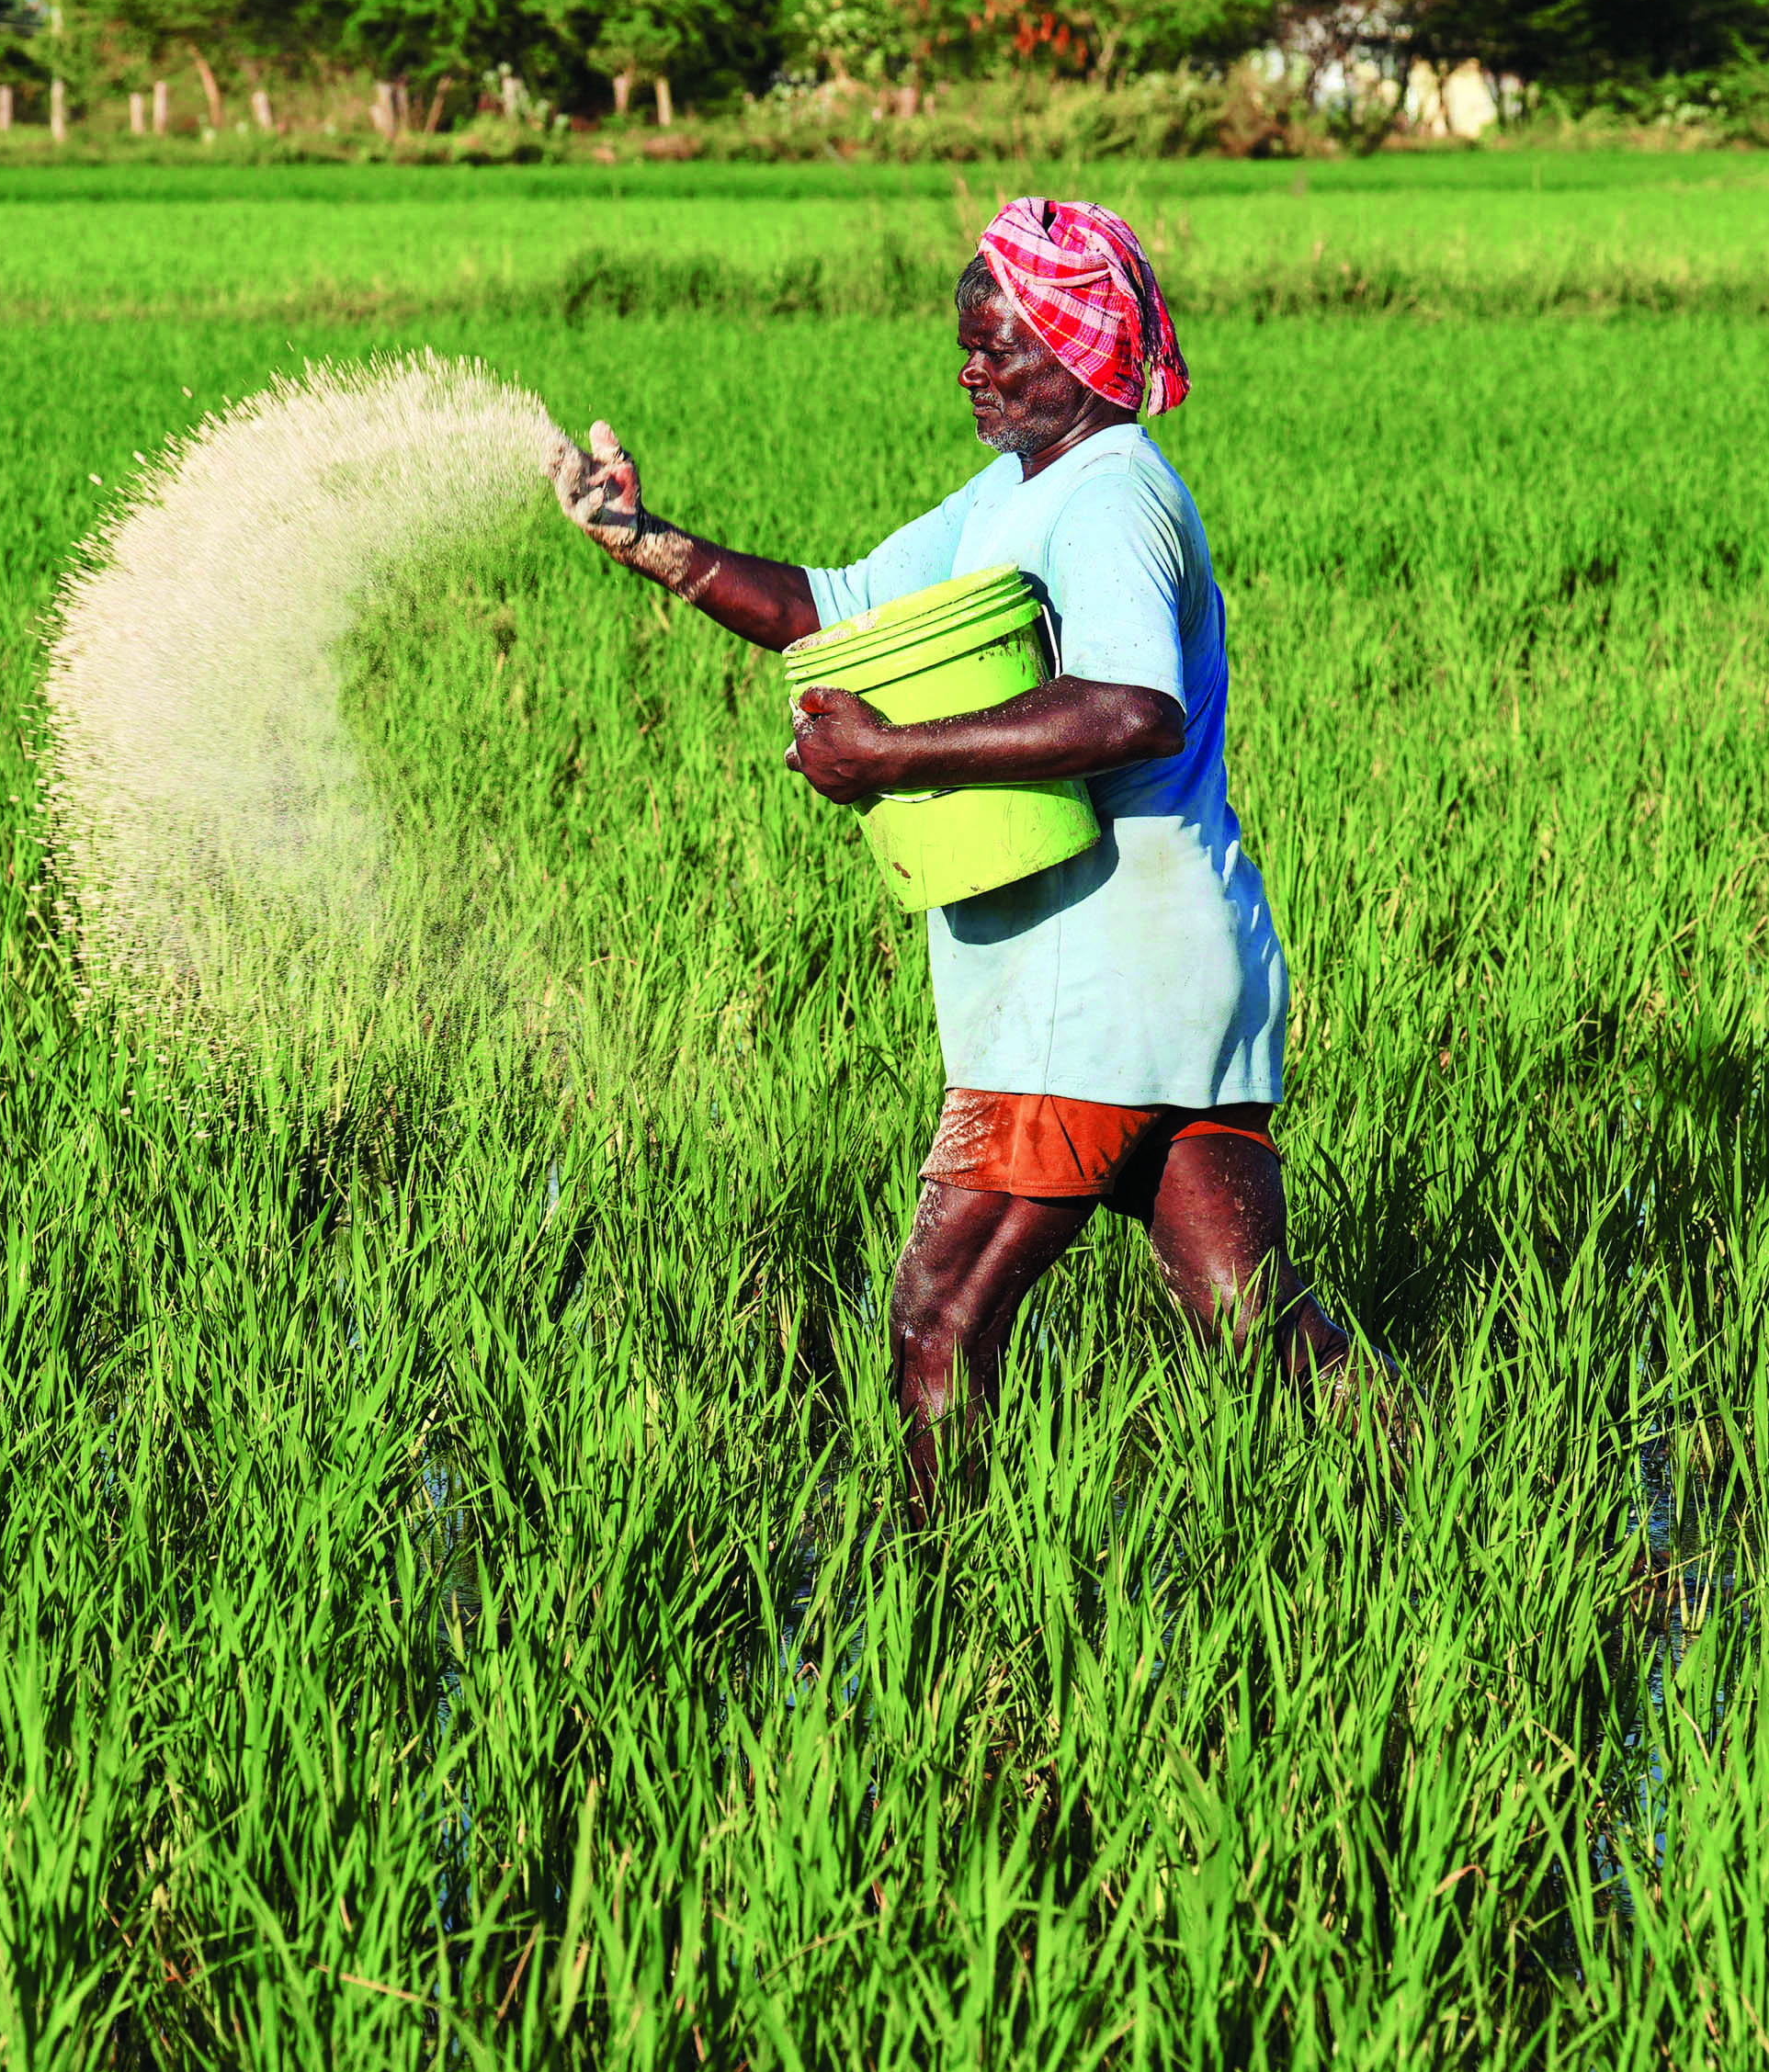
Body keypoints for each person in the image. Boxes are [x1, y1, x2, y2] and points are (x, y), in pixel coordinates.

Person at [549, 197, 1341, 1494]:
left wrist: (888, 758)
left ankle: (950, 1623)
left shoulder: (1109, 500)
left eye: (1001, 349)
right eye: (966, 345)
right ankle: (1422, 1497)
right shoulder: (1021, 486)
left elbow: (1132, 704)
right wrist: (645, 541)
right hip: (1178, 975)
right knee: (1253, 1328)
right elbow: (833, 608)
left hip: (1088, 982)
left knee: (936, 1321)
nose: (972, 369)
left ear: (1085, 351)